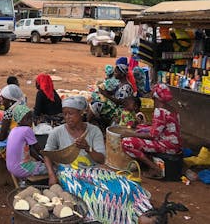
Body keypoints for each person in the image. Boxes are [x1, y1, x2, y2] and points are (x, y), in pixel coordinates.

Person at [43, 96, 152, 224]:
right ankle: (122, 218)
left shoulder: (94, 131)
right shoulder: (57, 132)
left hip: (93, 170)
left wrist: (88, 148)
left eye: (71, 114)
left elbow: (101, 159)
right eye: (65, 114)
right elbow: (47, 154)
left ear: (81, 113)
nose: (67, 117)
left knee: (126, 186)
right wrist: (51, 175)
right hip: (69, 173)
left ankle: (141, 214)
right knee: (92, 196)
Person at [121, 83, 182, 179]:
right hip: (174, 144)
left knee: (126, 142)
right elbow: (161, 129)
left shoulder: (160, 111)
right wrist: (141, 129)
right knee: (141, 127)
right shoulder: (173, 109)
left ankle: (155, 168)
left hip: (168, 146)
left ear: (155, 96)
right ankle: (148, 161)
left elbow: (152, 135)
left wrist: (130, 134)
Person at [6, 104, 47, 178]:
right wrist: (47, 159)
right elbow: (38, 149)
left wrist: (40, 160)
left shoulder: (13, 130)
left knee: (39, 164)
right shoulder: (27, 130)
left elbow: (30, 150)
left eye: (31, 118)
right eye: (27, 118)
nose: (30, 120)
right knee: (51, 168)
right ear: (19, 120)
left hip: (11, 168)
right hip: (21, 168)